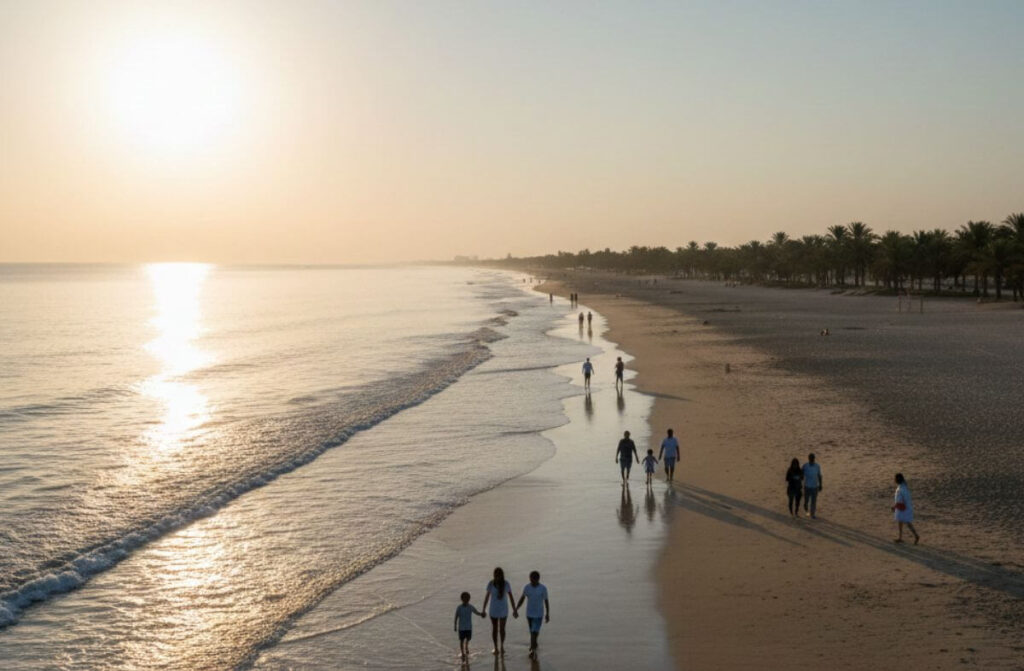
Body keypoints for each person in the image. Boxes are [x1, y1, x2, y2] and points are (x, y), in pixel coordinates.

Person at [482, 567, 518, 655]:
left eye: (499, 575)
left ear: (502, 575)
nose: (497, 577)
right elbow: (487, 597)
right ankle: (495, 647)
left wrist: (514, 610)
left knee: (502, 629)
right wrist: (483, 609)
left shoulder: (506, 584)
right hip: (493, 609)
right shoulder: (491, 584)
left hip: (503, 610)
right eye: (496, 575)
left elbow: (511, 597)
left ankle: (502, 646)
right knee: (494, 629)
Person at [515, 571, 550, 659]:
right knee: (532, 632)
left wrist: (547, 614)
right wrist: (516, 608)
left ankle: (533, 650)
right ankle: (533, 645)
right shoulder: (527, 587)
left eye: (534, 579)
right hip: (529, 614)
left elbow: (546, 601)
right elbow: (522, 599)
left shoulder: (543, 588)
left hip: (539, 614)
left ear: (538, 579)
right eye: (531, 579)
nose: (532, 581)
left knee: (534, 632)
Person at [454, 591, 486, 661]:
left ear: (469, 599)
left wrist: (481, 614)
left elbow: (476, 612)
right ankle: (462, 652)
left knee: (468, 638)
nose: (466, 600)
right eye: (465, 598)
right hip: (461, 627)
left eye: (468, 598)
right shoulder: (459, 607)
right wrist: (455, 625)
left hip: (469, 627)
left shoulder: (470, 607)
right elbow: (456, 616)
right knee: (461, 640)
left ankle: (466, 646)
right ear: (462, 599)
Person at [892, 473, 920, 544]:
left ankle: (916, 535)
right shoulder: (904, 487)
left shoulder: (900, 489)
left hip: (903, 508)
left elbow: (899, 500)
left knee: (907, 522)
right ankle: (900, 537)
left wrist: (894, 507)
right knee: (901, 522)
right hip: (905, 507)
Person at [802, 453, 822, 518]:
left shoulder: (817, 466)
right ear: (809, 458)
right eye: (811, 458)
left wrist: (820, 484)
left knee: (813, 501)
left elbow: (819, 476)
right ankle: (806, 510)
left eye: (813, 458)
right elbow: (801, 474)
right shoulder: (805, 466)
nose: (812, 459)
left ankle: (812, 514)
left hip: (815, 487)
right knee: (806, 501)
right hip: (807, 486)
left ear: (814, 458)